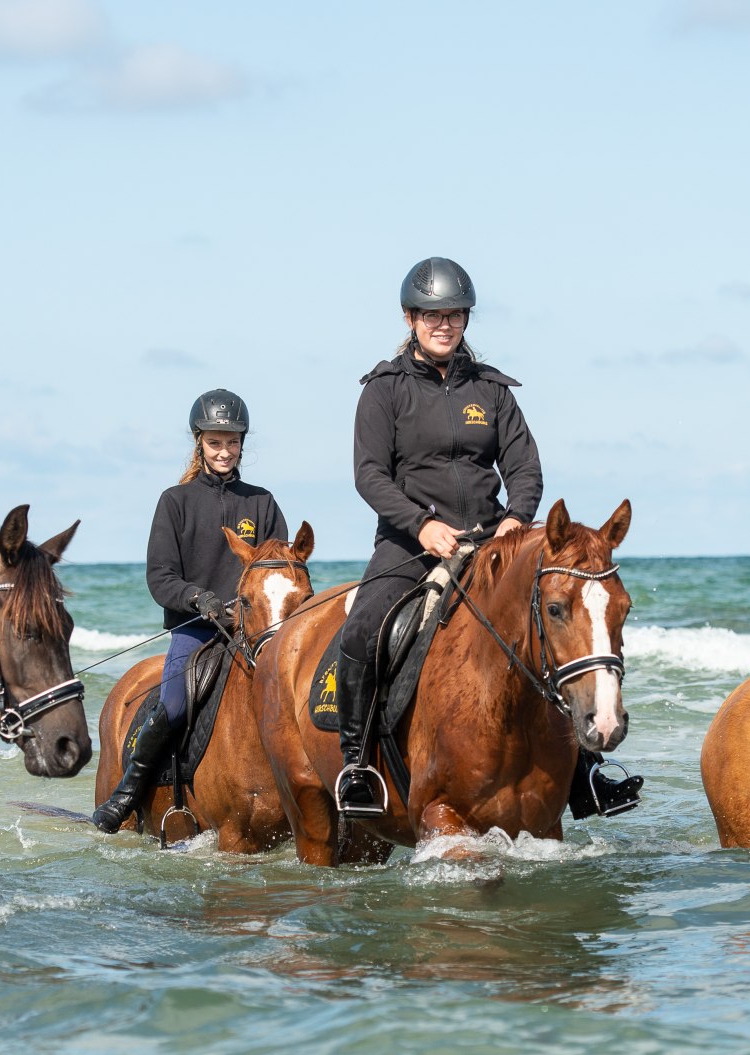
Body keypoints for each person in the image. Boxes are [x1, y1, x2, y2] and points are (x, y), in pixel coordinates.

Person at [333, 257, 643, 819]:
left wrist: (515, 518)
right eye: (432, 315)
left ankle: (584, 773)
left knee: (551, 632)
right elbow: (370, 474)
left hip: (491, 542)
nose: (444, 325)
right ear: (410, 319)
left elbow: (524, 466)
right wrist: (420, 525)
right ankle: (357, 766)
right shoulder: (383, 390)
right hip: (409, 544)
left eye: (454, 315)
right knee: (362, 630)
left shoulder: (492, 389)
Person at [92, 389, 289, 834]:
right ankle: (127, 792)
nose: (224, 451)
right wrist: (197, 598)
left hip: (251, 632)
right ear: (199, 443)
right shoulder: (175, 501)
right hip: (197, 631)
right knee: (175, 703)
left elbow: (277, 568)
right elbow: (160, 576)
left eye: (232, 442)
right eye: (215, 442)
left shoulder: (262, 502)